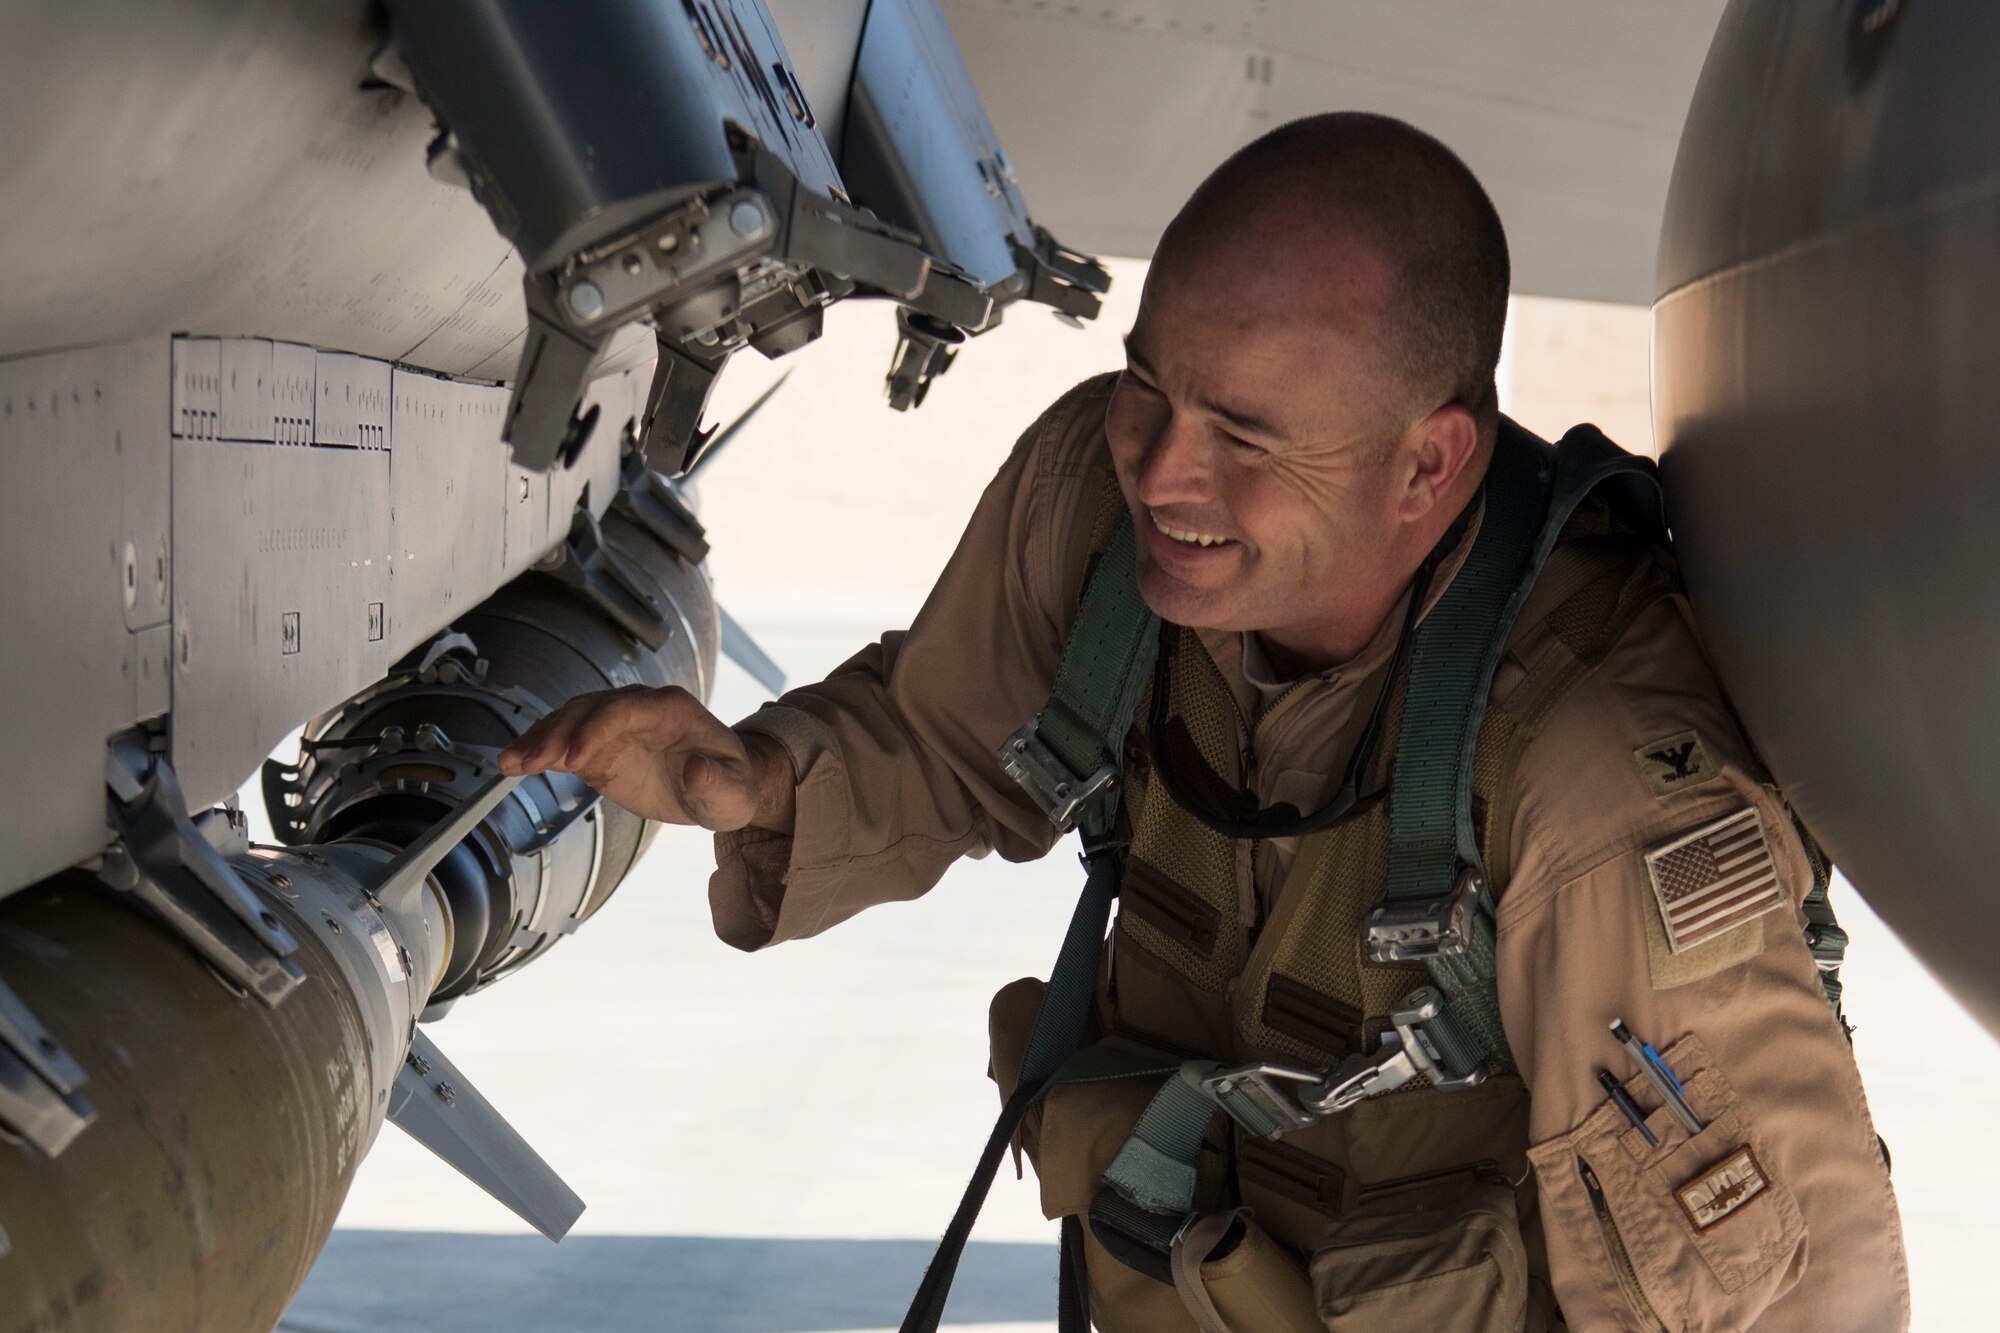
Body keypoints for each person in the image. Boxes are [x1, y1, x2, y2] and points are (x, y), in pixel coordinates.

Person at [499, 114, 1909, 1330]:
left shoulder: (1595, 776)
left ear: (1428, 464)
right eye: (1148, 386)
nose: (1164, 466)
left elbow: (1774, 1297)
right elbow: (948, 737)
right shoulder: (1101, 510)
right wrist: (751, 777)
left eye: (1244, 433)